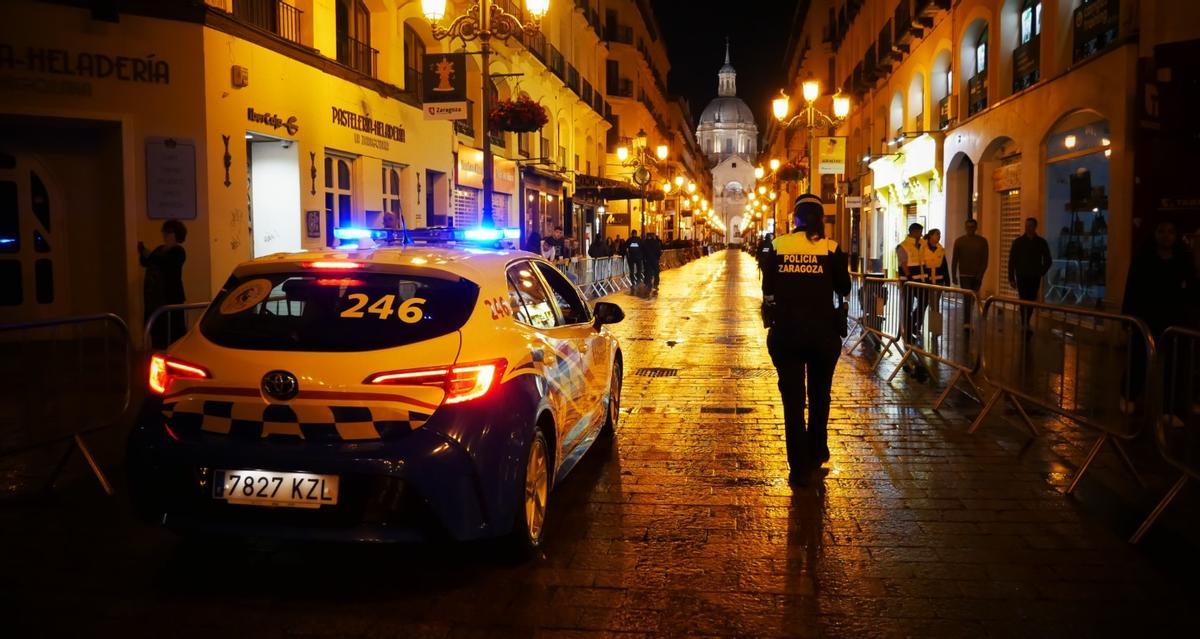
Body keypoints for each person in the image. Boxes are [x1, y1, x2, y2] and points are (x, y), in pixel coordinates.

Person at [762, 194, 851, 487]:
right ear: (820, 219)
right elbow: (845, 286)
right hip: (822, 334)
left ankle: (798, 465)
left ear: (795, 219)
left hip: (787, 333)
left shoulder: (778, 246)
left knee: (792, 400)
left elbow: (768, 285)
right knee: (820, 394)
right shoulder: (831, 247)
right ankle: (817, 450)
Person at [1121, 220, 1198, 412]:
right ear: (1154, 234)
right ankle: (1128, 395)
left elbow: (1191, 289)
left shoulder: (1183, 260)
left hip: (1174, 318)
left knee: (1176, 364)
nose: (1166, 236)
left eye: (1170, 232)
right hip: (1146, 316)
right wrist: (1128, 316)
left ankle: (1172, 407)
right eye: (1161, 231)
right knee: (1139, 358)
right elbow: (1132, 288)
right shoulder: (1143, 259)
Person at [139, 219, 188, 348]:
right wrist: (143, 253)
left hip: (170, 296)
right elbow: (146, 262)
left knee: (173, 332)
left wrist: (149, 256)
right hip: (155, 298)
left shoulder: (179, 251)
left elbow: (166, 264)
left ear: (175, 234)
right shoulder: (160, 249)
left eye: (168, 232)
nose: (165, 234)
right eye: (165, 231)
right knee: (158, 333)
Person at [1008, 217, 1052, 328]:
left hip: (1034, 276)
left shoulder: (1041, 242)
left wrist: (1041, 272)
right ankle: (1024, 321)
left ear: (1035, 227)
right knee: (1023, 298)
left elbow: (1048, 260)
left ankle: (1026, 321)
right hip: (1022, 275)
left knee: (1031, 299)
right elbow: (1012, 261)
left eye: (1030, 226)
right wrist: (1011, 278)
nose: (1028, 228)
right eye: (1026, 226)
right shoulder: (1018, 242)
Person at [952, 218, 989, 327]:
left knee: (972, 298)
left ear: (976, 228)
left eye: (972, 227)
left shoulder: (982, 241)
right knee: (967, 297)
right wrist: (954, 274)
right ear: (965, 227)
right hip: (964, 274)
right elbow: (955, 259)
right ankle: (967, 321)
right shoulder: (959, 241)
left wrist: (980, 274)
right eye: (968, 227)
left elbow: (985, 260)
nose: (970, 229)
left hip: (977, 275)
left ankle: (968, 319)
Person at [896, 222, 928, 344]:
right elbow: (903, 263)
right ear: (913, 232)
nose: (921, 234)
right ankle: (907, 331)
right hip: (908, 280)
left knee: (924, 302)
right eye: (919, 232)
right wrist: (909, 277)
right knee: (908, 305)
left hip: (920, 280)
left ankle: (911, 324)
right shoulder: (903, 246)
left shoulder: (921, 244)